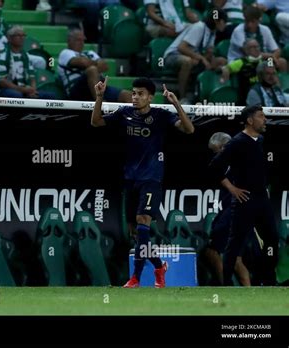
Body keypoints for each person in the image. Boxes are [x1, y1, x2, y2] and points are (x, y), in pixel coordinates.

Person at [91, 77, 195, 288]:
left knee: (142, 220)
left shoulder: (161, 115)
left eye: (140, 94)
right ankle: (159, 266)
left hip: (151, 178)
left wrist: (176, 104)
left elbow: (189, 129)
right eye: (134, 93)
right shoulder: (124, 113)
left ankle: (135, 278)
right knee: (136, 233)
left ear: (150, 97)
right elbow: (96, 121)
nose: (135, 97)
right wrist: (99, 97)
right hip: (130, 179)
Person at [209, 105, 279, 286]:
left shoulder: (262, 141)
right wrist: (232, 189)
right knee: (234, 244)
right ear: (250, 120)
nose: (265, 120)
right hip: (244, 200)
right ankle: (225, 284)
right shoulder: (237, 142)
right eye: (261, 116)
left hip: (262, 199)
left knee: (271, 239)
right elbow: (215, 168)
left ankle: (269, 280)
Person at [204, 132, 251, 286]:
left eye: (215, 151)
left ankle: (226, 287)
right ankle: (250, 293)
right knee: (237, 259)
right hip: (240, 212)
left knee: (212, 251)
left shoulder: (233, 163)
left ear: (224, 148)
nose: (214, 155)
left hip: (232, 212)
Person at [164, 8, 228, 102]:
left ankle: (212, 96)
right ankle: (182, 97)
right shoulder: (199, 27)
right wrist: (202, 58)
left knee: (221, 61)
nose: (225, 25)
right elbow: (181, 48)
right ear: (216, 20)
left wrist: (210, 56)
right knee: (188, 61)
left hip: (192, 57)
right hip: (172, 55)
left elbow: (205, 54)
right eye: (224, 21)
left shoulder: (212, 32)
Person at [58, 28, 131, 102]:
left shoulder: (90, 53)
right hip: (77, 89)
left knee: (127, 95)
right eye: (78, 40)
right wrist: (95, 64)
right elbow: (83, 62)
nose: (81, 43)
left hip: (98, 86)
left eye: (83, 40)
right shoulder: (65, 53)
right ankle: (100, 104)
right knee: (92, 70)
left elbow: (105, 66)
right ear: (69, 41)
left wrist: (89, 63)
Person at [0, 0, 45, 69]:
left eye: (0, 7)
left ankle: (29, 78)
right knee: (12, 61)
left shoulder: (2, 23)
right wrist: (3, 52)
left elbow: (11, 37)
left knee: (40, 61)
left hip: (9, 52)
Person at [0, 26, 55, 99]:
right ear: (9, 38)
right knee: (16, 95)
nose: (22, 38)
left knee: (50, 95)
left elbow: (32, 77)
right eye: (18, 35)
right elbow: (2, 81)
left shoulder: (26, 57)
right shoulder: (2, 57)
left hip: (24, 89)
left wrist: (32, 90)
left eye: (23, 35)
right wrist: (22, 90)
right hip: (5, 90)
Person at [228, 6, 287, 72]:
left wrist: (272, 58)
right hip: (242, 61)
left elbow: (277, 50)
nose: (249, 25)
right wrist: (270, 56)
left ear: (259, 20)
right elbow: (249, 53)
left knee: (282, 62)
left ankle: (279, 82)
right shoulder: (238, 31)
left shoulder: (265, 30)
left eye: (252, 22)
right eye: (247, 21)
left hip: (261, 60)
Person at [220, 39, 263, 105]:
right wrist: (224, 78)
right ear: (246, 50)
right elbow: (226, 68)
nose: (256, 49)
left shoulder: (264, 61)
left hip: (263, 93)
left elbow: (273, 72)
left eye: (257, 47)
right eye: (252, 47)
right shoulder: (241, 62)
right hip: (247, 95)